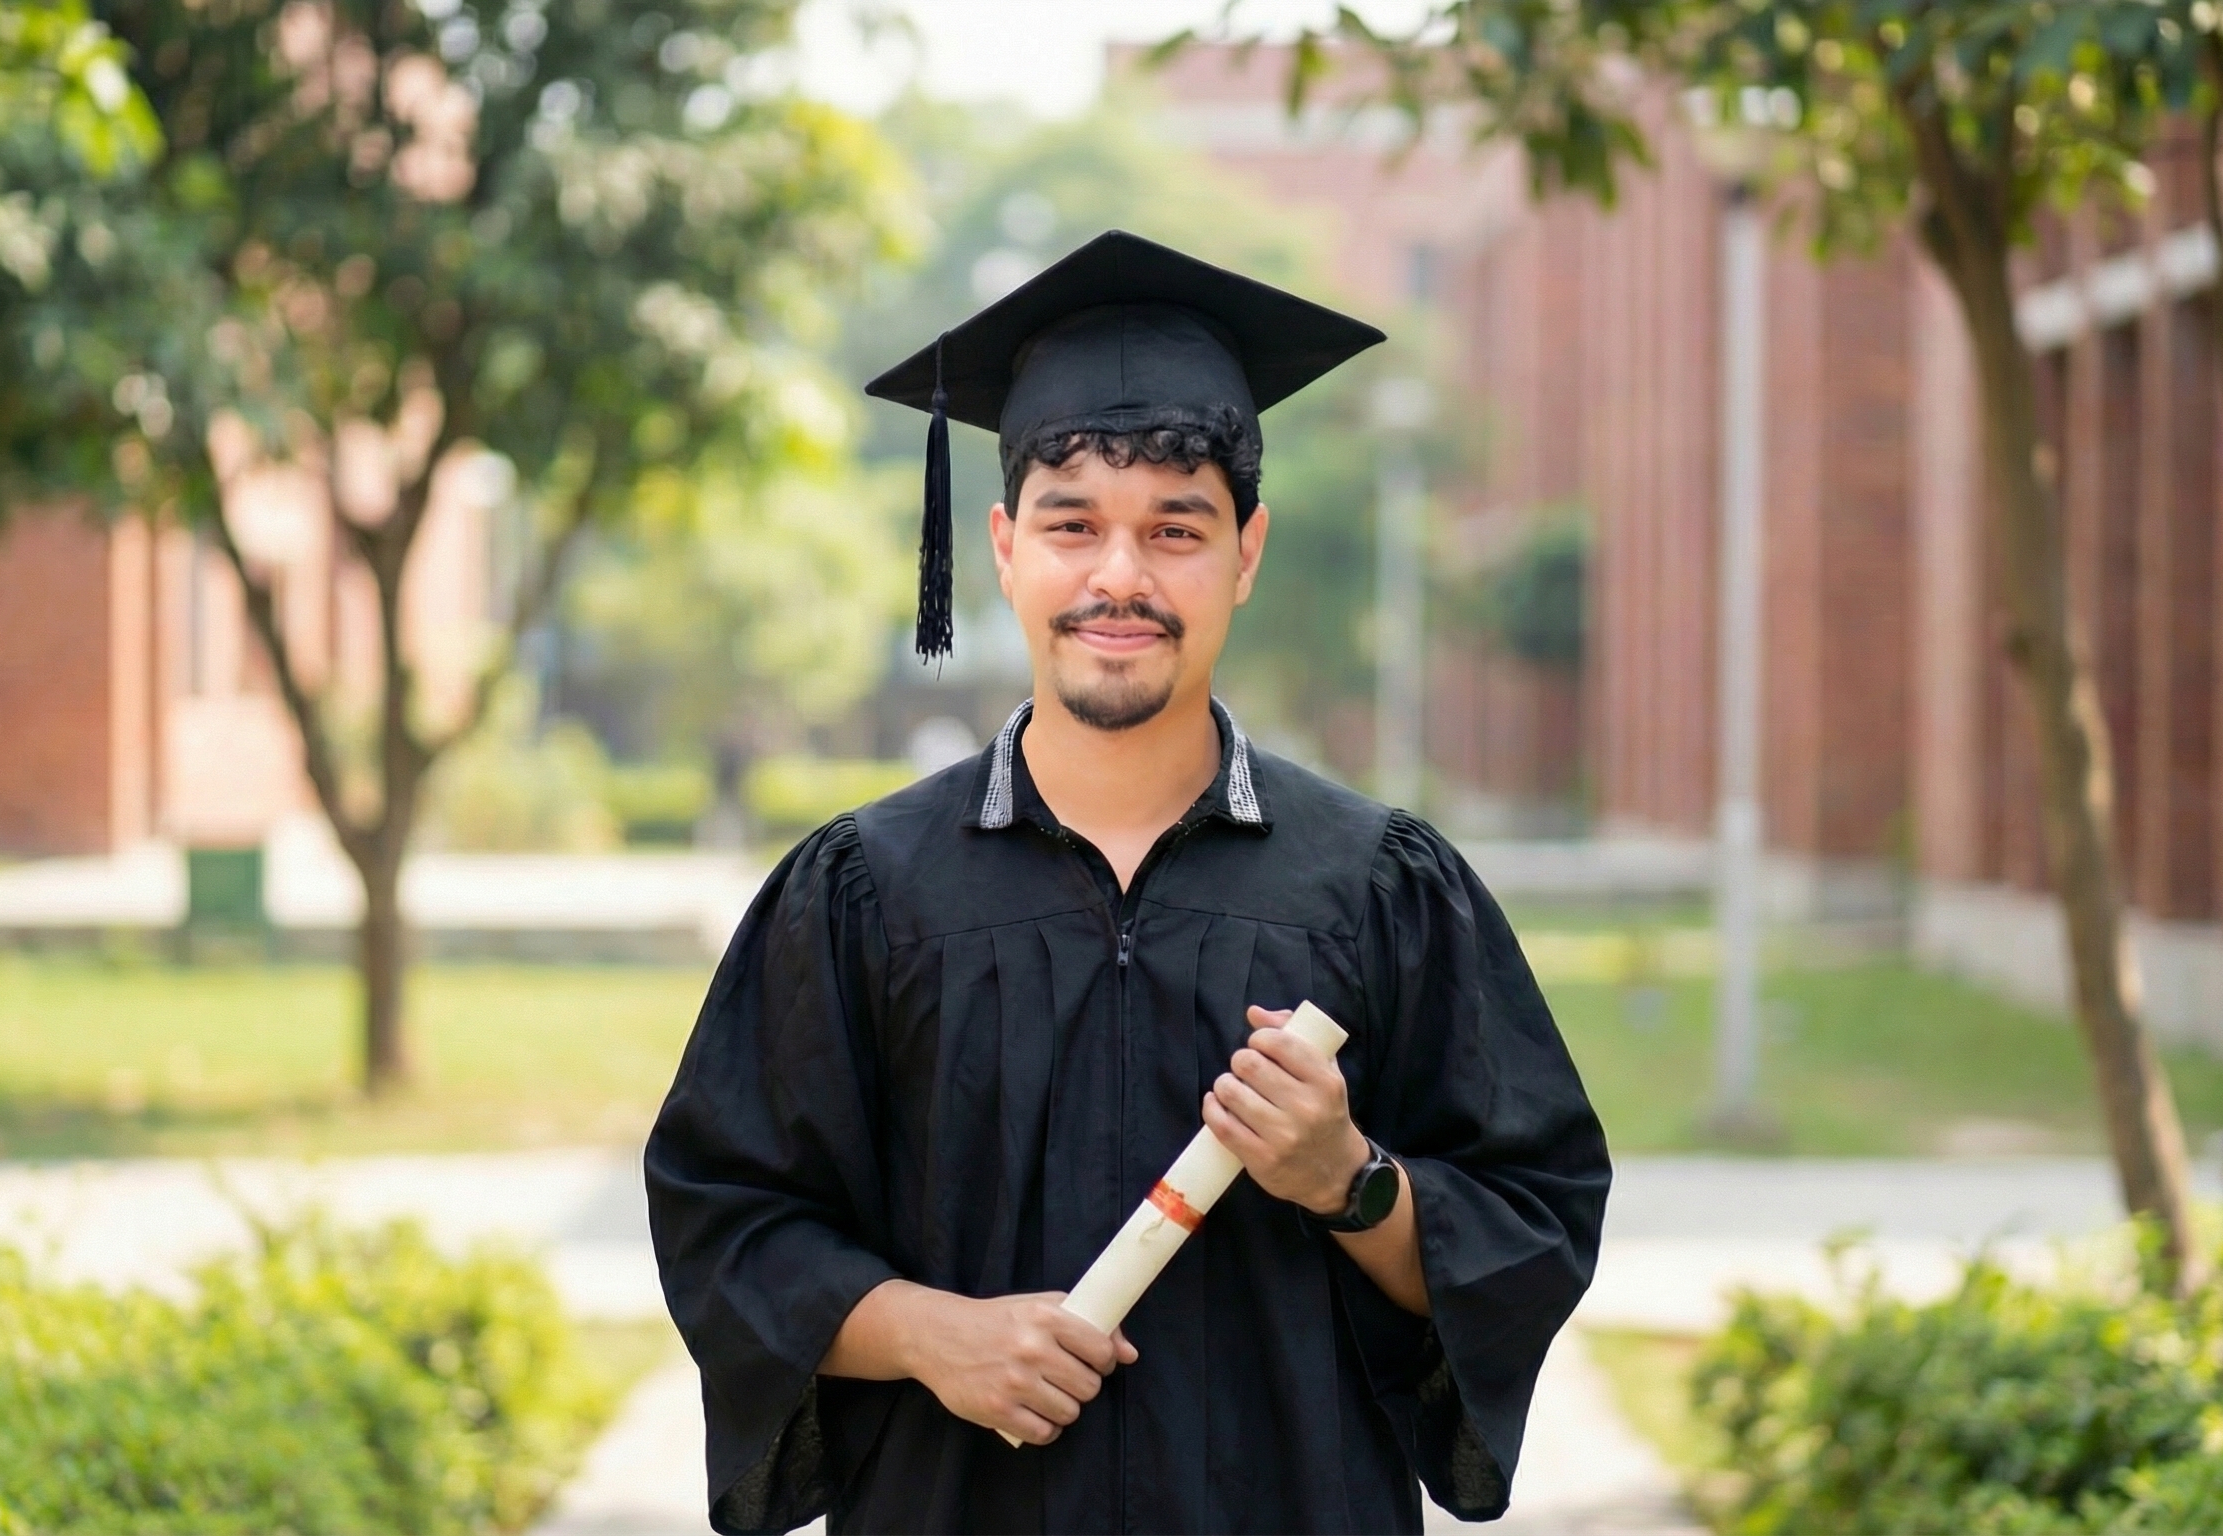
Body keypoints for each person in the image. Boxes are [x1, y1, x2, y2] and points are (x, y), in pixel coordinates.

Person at [645, 231, 1611, 1534]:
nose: (1120, 576)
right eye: (1073, 525)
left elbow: (1531, 1225)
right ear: (1000, 547)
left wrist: (1348, 1175)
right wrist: (932, 1336)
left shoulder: (1378, 887)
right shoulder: (865, 892)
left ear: (1246, 553)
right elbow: (727, 1223)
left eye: (1175, 529)